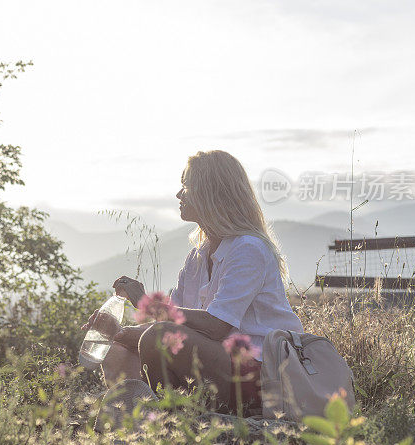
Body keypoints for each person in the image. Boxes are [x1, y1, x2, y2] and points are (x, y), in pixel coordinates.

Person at [81, 150, 303, 414]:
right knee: (119, 349)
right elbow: (171, 327)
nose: (179, 194)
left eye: (186, 186)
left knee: (158, 336)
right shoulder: (197, 257)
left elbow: (217, 326)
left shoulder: (248, 248)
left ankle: (166, 413)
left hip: (256, 374)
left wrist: (146, 304)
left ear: (210, 192)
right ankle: (135, 419)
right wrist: (117, 332)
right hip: (214, 365)